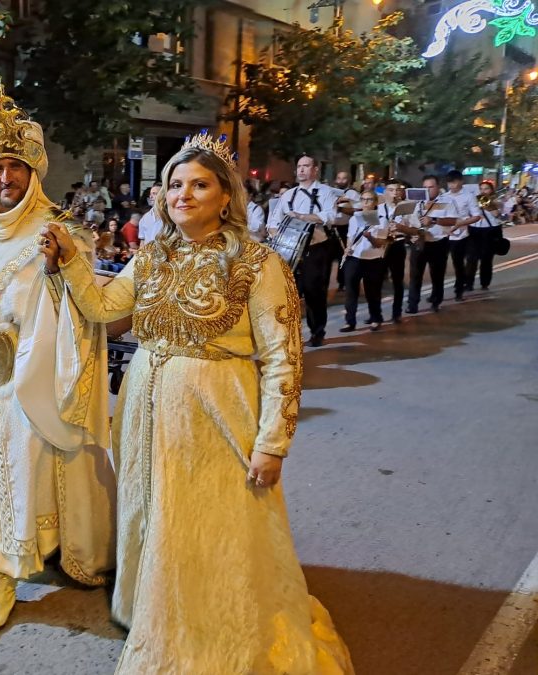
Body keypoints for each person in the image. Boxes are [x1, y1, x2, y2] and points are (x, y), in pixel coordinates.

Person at [40, 133, 354, 674]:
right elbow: (101, 307)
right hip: (144, 406)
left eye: (199, 184)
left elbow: (283, 358)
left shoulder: (259, 265)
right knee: (154, 511)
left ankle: (216, 625)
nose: (183, 194)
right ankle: (159, 613)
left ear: (225, 197)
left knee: (213, 520)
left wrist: (272, 443)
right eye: (175, 184)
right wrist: (68, 262)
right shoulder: (153, 255)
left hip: (218, 413)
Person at [0, 81, 116, 635]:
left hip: (32, 379)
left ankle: (5, 574)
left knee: (21, 476)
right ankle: (12, 547)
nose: (3, 178)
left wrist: (58, 283)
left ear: (33, 174)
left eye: (14, 167)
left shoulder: (60, 235)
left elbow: (84, 311)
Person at [268, 155, 337, 347]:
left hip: (315, 249)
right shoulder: (288, 195)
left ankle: (317, 331)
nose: (302, 170)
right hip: (289, 252)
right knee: (288, 293)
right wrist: (276, 235)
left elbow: (331, 216)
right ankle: (287, 333)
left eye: (306, 166)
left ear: (315, 170)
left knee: (314, 292)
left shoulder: (325, 192)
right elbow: (273, 221)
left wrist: (303, 216)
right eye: (299, 166)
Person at [397, 175, 458, 314]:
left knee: (437, 274)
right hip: (419, 241)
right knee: (415, 274)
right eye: (425, 187)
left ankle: (436, 301)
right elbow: (405, 219)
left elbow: (453, 220)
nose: (428, 190)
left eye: (431, 187)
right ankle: (412, 304)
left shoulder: (447, 201)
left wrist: (434, 220)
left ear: (438, 187)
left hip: (438, 242)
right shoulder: (415, 202)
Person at [340, 191, 388, 331]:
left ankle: (375, 318)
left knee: (372, 291)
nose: (366, 203)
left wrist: (370, 237)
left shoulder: (381, 219)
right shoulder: (354, 218)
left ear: (375, 202)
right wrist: (348, 248)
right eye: (364, 199)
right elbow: (350, 237)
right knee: (351, 291)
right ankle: (350, 321)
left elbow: (380, 243)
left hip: (372, 259)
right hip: (354, 258)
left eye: (370, 200)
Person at [443, 170, 482, 301]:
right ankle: (437, 293)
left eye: (454, 182)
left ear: (460, 181)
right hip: (446, 233)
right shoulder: (444, 196)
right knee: (440, 263)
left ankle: (459, 290)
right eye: (449, 182)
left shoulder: (468, 196)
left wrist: (461, 223)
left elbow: (476, 216)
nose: (451, 185)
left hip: (462, 235)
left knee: (458, 262)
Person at [379, 181, 408, 323]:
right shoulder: (378, 209)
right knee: (377, 280)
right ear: (385, 193)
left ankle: (397, 312)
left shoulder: (406, 208)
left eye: (397, 190)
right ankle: (375, 314)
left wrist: (400, 227)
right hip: (381, 246)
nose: (394, 193)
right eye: (391, 190)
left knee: (397, 280)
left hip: (397, 244)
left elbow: (414, 229)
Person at [466, 180, 504, 291]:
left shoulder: (496, 201)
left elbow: (496, 214)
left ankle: (485, 283)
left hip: (490, 231)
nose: (483, 191)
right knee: (471, 258)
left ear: (491, 190)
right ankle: (468, 283)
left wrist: (483, 201)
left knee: (486, 259)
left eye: (486, 188)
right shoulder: (473, 200)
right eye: (481, 189)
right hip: (475, 230)